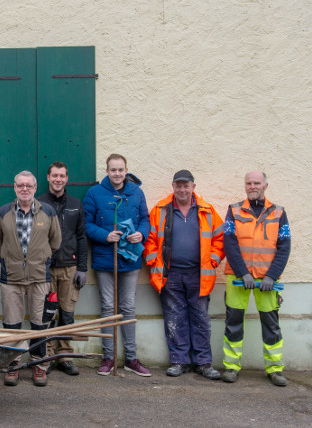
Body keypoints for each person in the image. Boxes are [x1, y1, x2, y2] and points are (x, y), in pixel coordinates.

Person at [143, 170, 224, 380]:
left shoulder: (207, 211)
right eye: (178, 185)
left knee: (201, 319)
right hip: (170, 275)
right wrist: (153, 260)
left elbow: (220, 237)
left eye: (185, 185)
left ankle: (204, 363)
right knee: (174, 318)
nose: (182, 189)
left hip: (199, 275)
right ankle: (179, 361)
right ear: (173, 187)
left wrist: (213, 260)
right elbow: (149, 238)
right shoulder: (160, 210)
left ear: (193, 187)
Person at [83, 154, 151, 377]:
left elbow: (145, 220)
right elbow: (86, 224)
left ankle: (131, 358)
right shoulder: (94, 193)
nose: (117, 174)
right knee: (107, 307)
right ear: (107, 171)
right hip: (105, 259)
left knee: (128, 307)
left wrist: (141, 234)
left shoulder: (136, 193)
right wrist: (105, 235)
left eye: (121, 170)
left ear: (126, 170)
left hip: (130, 259)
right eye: (113, 170)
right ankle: (108, 357)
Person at [221, 171, 291, 386]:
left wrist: (271, 275)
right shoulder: (233, 210)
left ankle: (275, 369)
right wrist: (243, 272)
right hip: (238, 278)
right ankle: (231, 367)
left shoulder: (279, 213)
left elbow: (284, 246)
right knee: (233, 322)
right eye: (249, 183)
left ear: (265, 185)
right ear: (245, 186)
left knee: (271, 324)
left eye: (257, 183)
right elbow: (229, 242)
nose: (252, 186)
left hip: (267, 282)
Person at [0, 171, 62, 387]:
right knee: (12, 324)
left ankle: (38, 366)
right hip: (11, 278)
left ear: (35, 188)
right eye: (20, 185)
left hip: (39, 277)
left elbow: (55, 243)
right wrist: (9, 261)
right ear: (14, 188)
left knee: (40, 324)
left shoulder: (48, 212)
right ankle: (13, 364)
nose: (24, 189)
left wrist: (40, 261)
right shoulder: (4, 212)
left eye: (29, 185)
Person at [36, 161, 88, 376]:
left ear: (67, 179)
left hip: (69, 268)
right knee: (46, 314)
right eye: (54, 175)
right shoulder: (38, 203)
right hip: (46, 269)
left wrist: (82, 268)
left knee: (67, 313)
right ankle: (46, 357)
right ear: (48, 177)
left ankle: (65, 356)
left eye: (62, 176)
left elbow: (82, 237)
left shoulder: (75, 204)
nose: (58, 179)